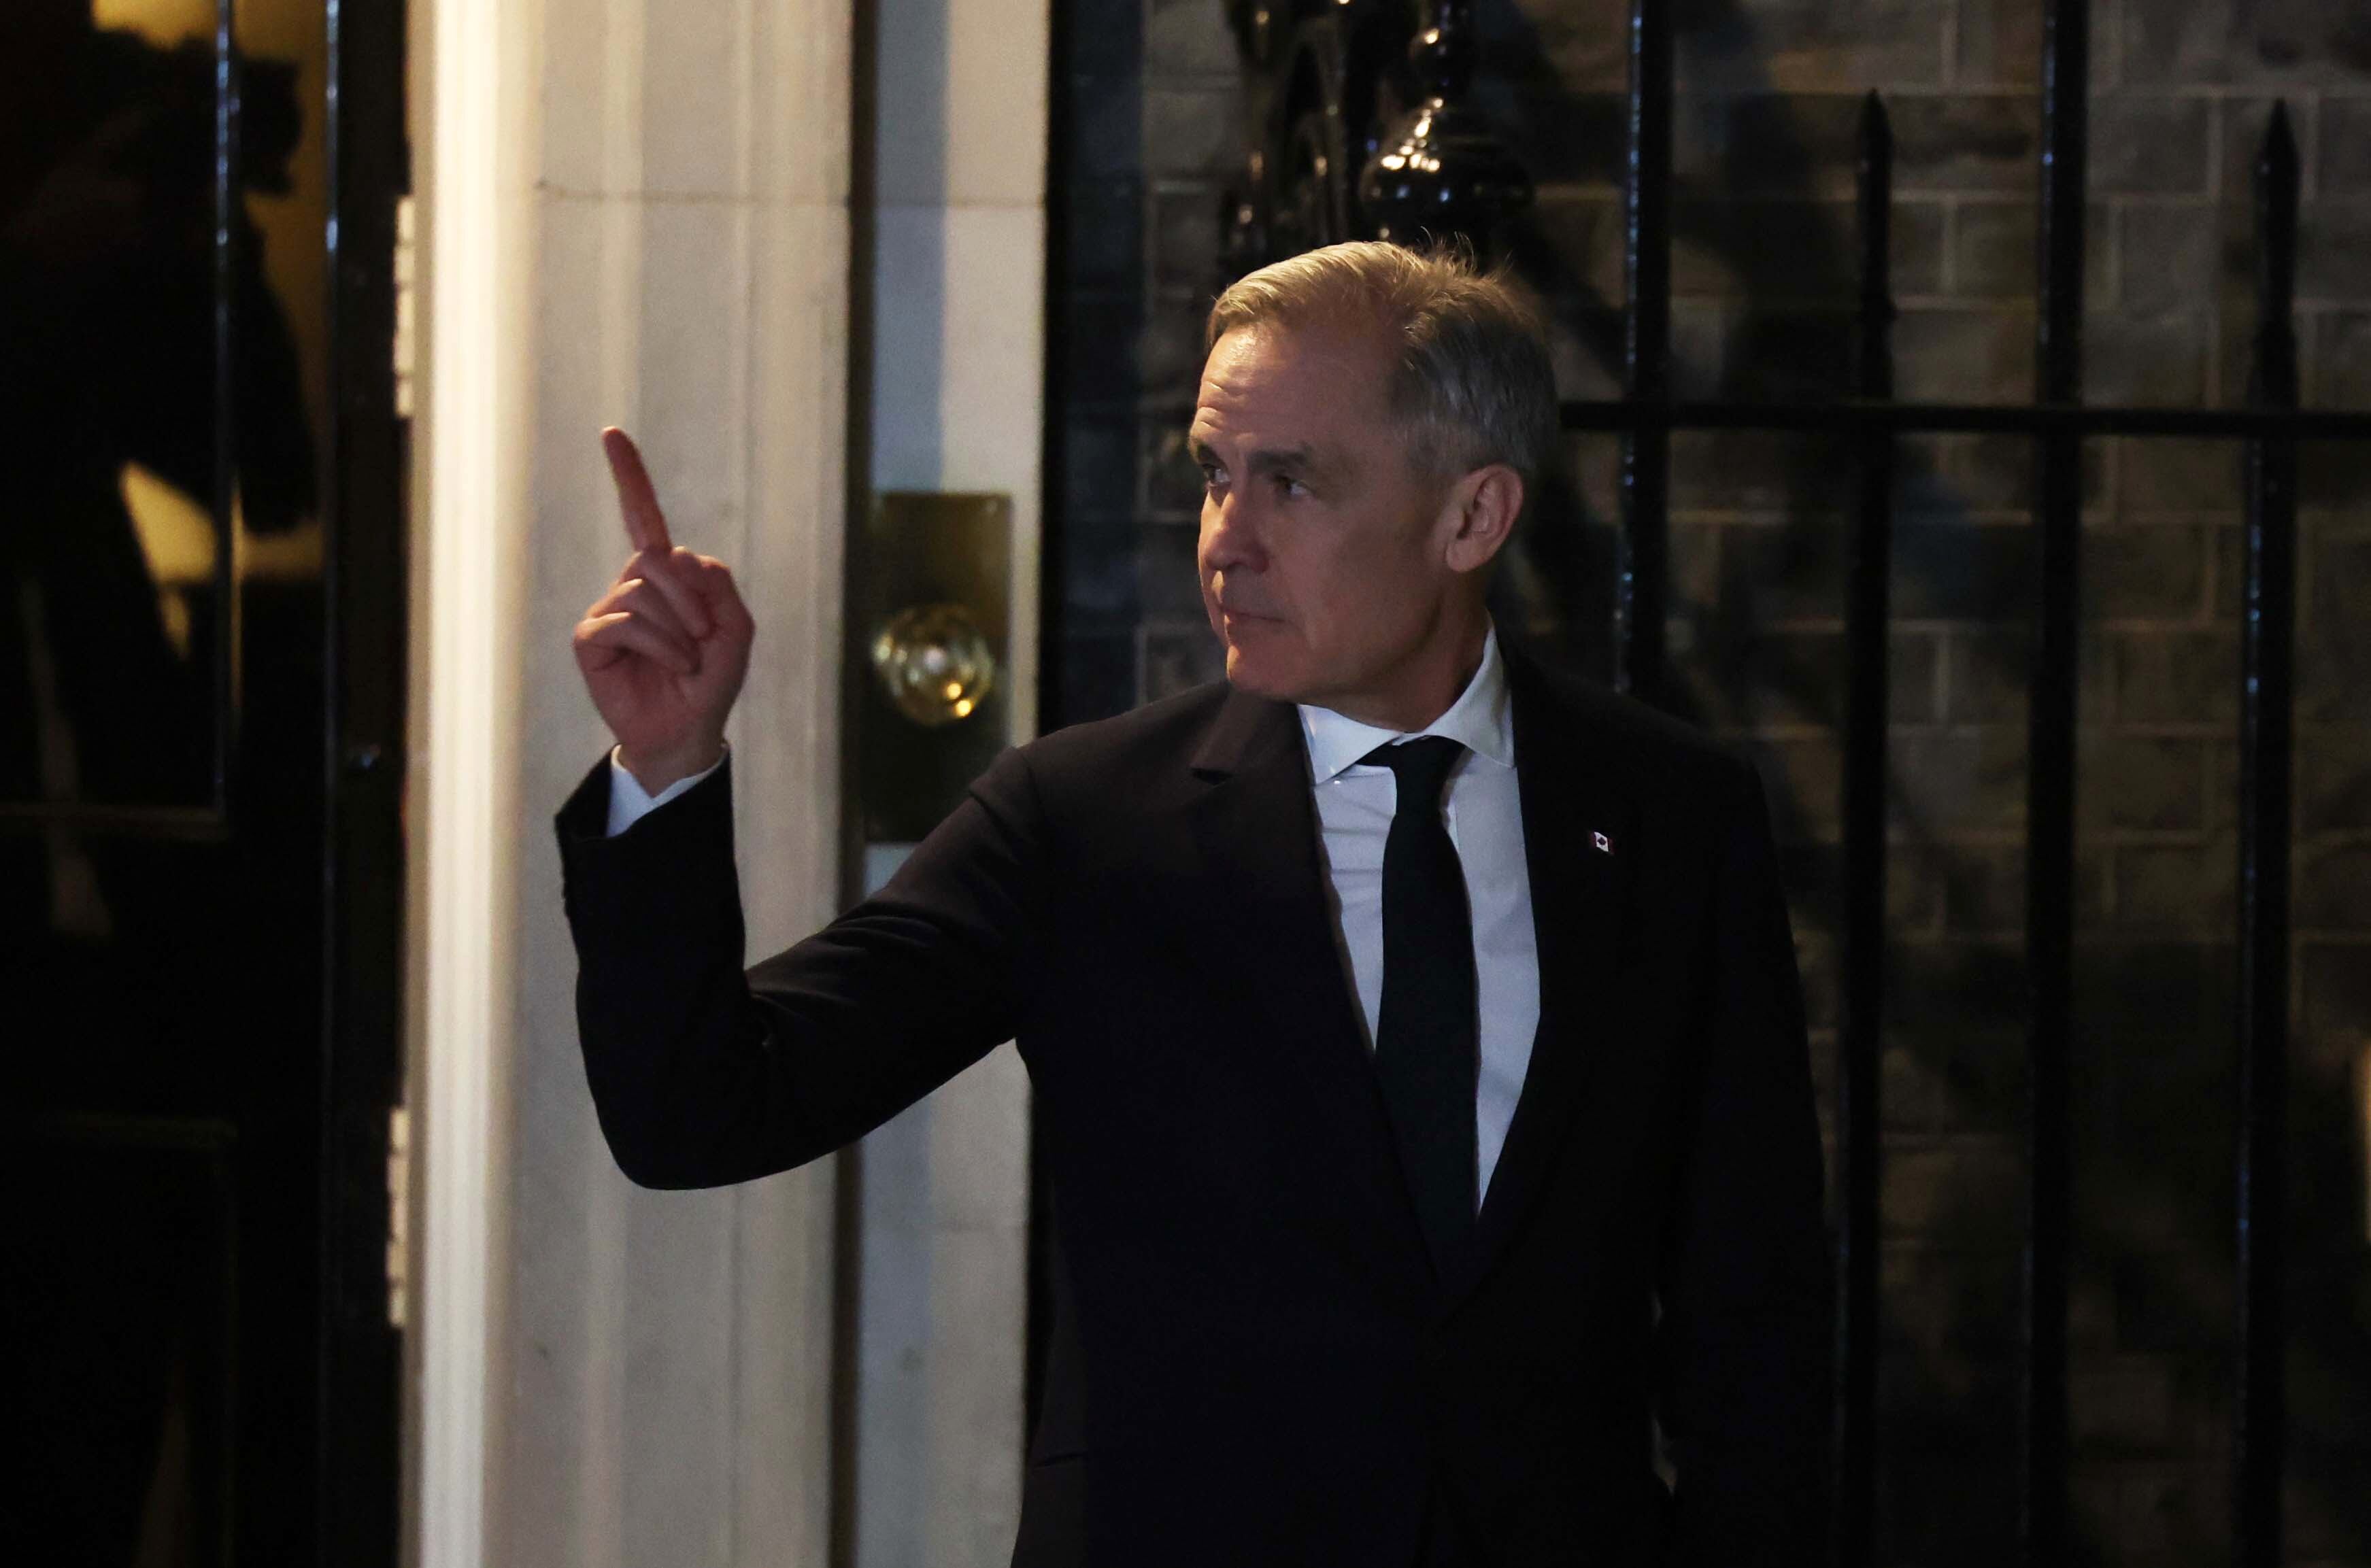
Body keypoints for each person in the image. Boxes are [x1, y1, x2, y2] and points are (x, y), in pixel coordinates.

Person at [556, 241, 1831, 1567]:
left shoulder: (1679, 816)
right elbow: (701, 1109)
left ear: (1472, 518)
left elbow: (1758, 1319)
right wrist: (667, 771)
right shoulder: (1081, 820)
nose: (1227, 539)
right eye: (1217, 476)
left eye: (1291, 482)